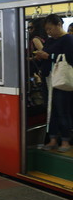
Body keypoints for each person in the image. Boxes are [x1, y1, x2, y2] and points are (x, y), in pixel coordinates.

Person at [34, 14, 73, 152]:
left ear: (59, 25)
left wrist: (49, 56)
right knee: (51, 110)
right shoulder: (50, 41)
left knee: (63, 110)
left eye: (50, 29)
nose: (49, 32)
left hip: (61, 81)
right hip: (48, 80)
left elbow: (70, 58)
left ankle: (66, 141)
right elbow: (45, 54)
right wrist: (40, 56)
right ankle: (53, 139)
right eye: (47, 30)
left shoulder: (68, 39)